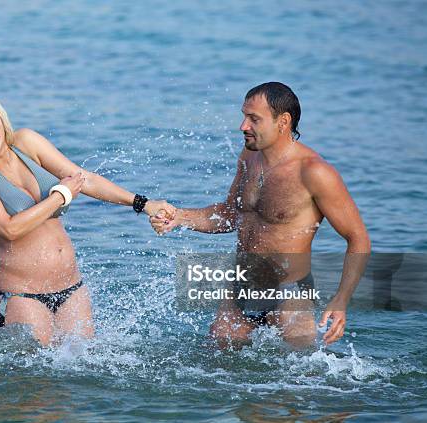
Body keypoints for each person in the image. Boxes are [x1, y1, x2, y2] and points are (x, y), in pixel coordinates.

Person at [150, 82, 370, 349]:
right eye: (244, 116)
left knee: (296, 381)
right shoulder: (249, 156)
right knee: (215, 365)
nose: (243, 126)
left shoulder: (314, 173)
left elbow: (357, 238)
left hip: (290, 294)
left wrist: (341, 300)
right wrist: (180, 217)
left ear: (283, 121)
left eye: (254, 119)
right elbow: (230, 214)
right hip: (241, 288)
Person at [0, 91, 174, 346]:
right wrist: (60, 196)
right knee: (34, 381)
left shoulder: (27, 142)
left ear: (1, 118)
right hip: (24, 295)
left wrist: (143, 204)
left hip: (71, 289)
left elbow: (83, 179)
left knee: (82, 375)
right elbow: (7, 229)